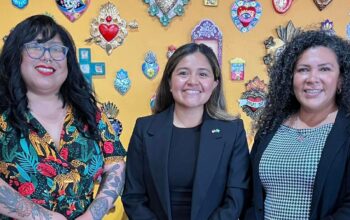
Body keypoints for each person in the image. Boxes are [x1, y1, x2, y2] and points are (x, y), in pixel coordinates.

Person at [0, 15, 126, 220]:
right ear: (17, 55)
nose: (47, 57)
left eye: (57, 49)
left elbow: (116, 165)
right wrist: (43, 217)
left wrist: (92, 215)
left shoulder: (92, 113)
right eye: (36, 46)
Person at [122, 43, 250, 220]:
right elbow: (133, 196)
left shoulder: (232, 131)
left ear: (214, 84)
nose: (192, 81)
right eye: (183, 73)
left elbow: (236, 197)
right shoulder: (144, 129)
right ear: (169, 82)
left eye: (203, 74)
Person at [247, 30, 350, 220]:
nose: (312, 78)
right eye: (303, 69)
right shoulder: (271, 127)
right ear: (290, 79)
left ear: (341, 80)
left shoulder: (346, 130)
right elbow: (251, 194)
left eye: (324, 69)